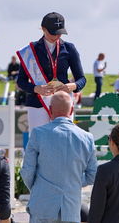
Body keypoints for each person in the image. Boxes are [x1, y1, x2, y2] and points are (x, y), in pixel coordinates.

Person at [21, 91, 97, 223]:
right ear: (72, 109)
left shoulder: (38, 134)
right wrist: (74, 182)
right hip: (71, 210)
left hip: (42, 206)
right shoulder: (87, 138)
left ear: (49, 110)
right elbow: (93, 175)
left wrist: (39, 188)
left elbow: (27, 171)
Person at [17, 12, 86, 133]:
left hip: (63, 103)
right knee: (38, 142)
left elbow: (82, 79)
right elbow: (21, 82)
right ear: (43, 29)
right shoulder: (30, 51)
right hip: (37, 103)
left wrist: (73, 86)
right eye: (53, 33)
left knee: (64, 140)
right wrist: (36, 88)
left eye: (59, 33)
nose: (56, 36)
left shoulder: (70, 48)